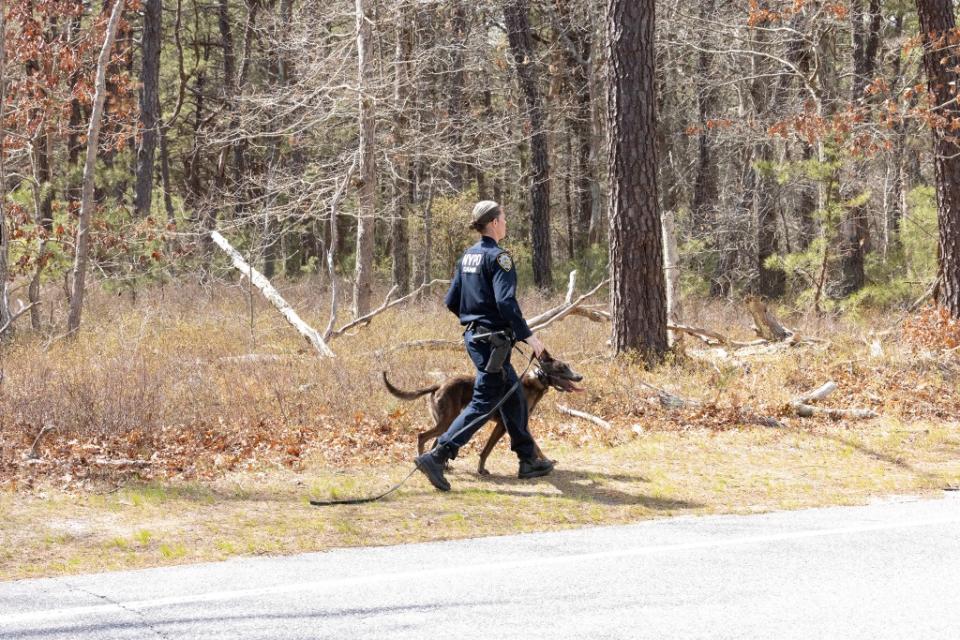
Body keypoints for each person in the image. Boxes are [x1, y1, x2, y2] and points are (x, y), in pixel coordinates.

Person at [414, 200, 554, 492]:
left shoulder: (467, 257)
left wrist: (474, 321)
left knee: (514, 395)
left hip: (477, 339)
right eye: (503, 218)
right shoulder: (499, 258)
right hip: (493, 342)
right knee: (483, 402)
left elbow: (451, 301)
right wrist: (528, 336)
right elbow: (506, 301)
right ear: (492, 223)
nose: (506, 222)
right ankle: (438, 456)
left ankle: (528, 460)